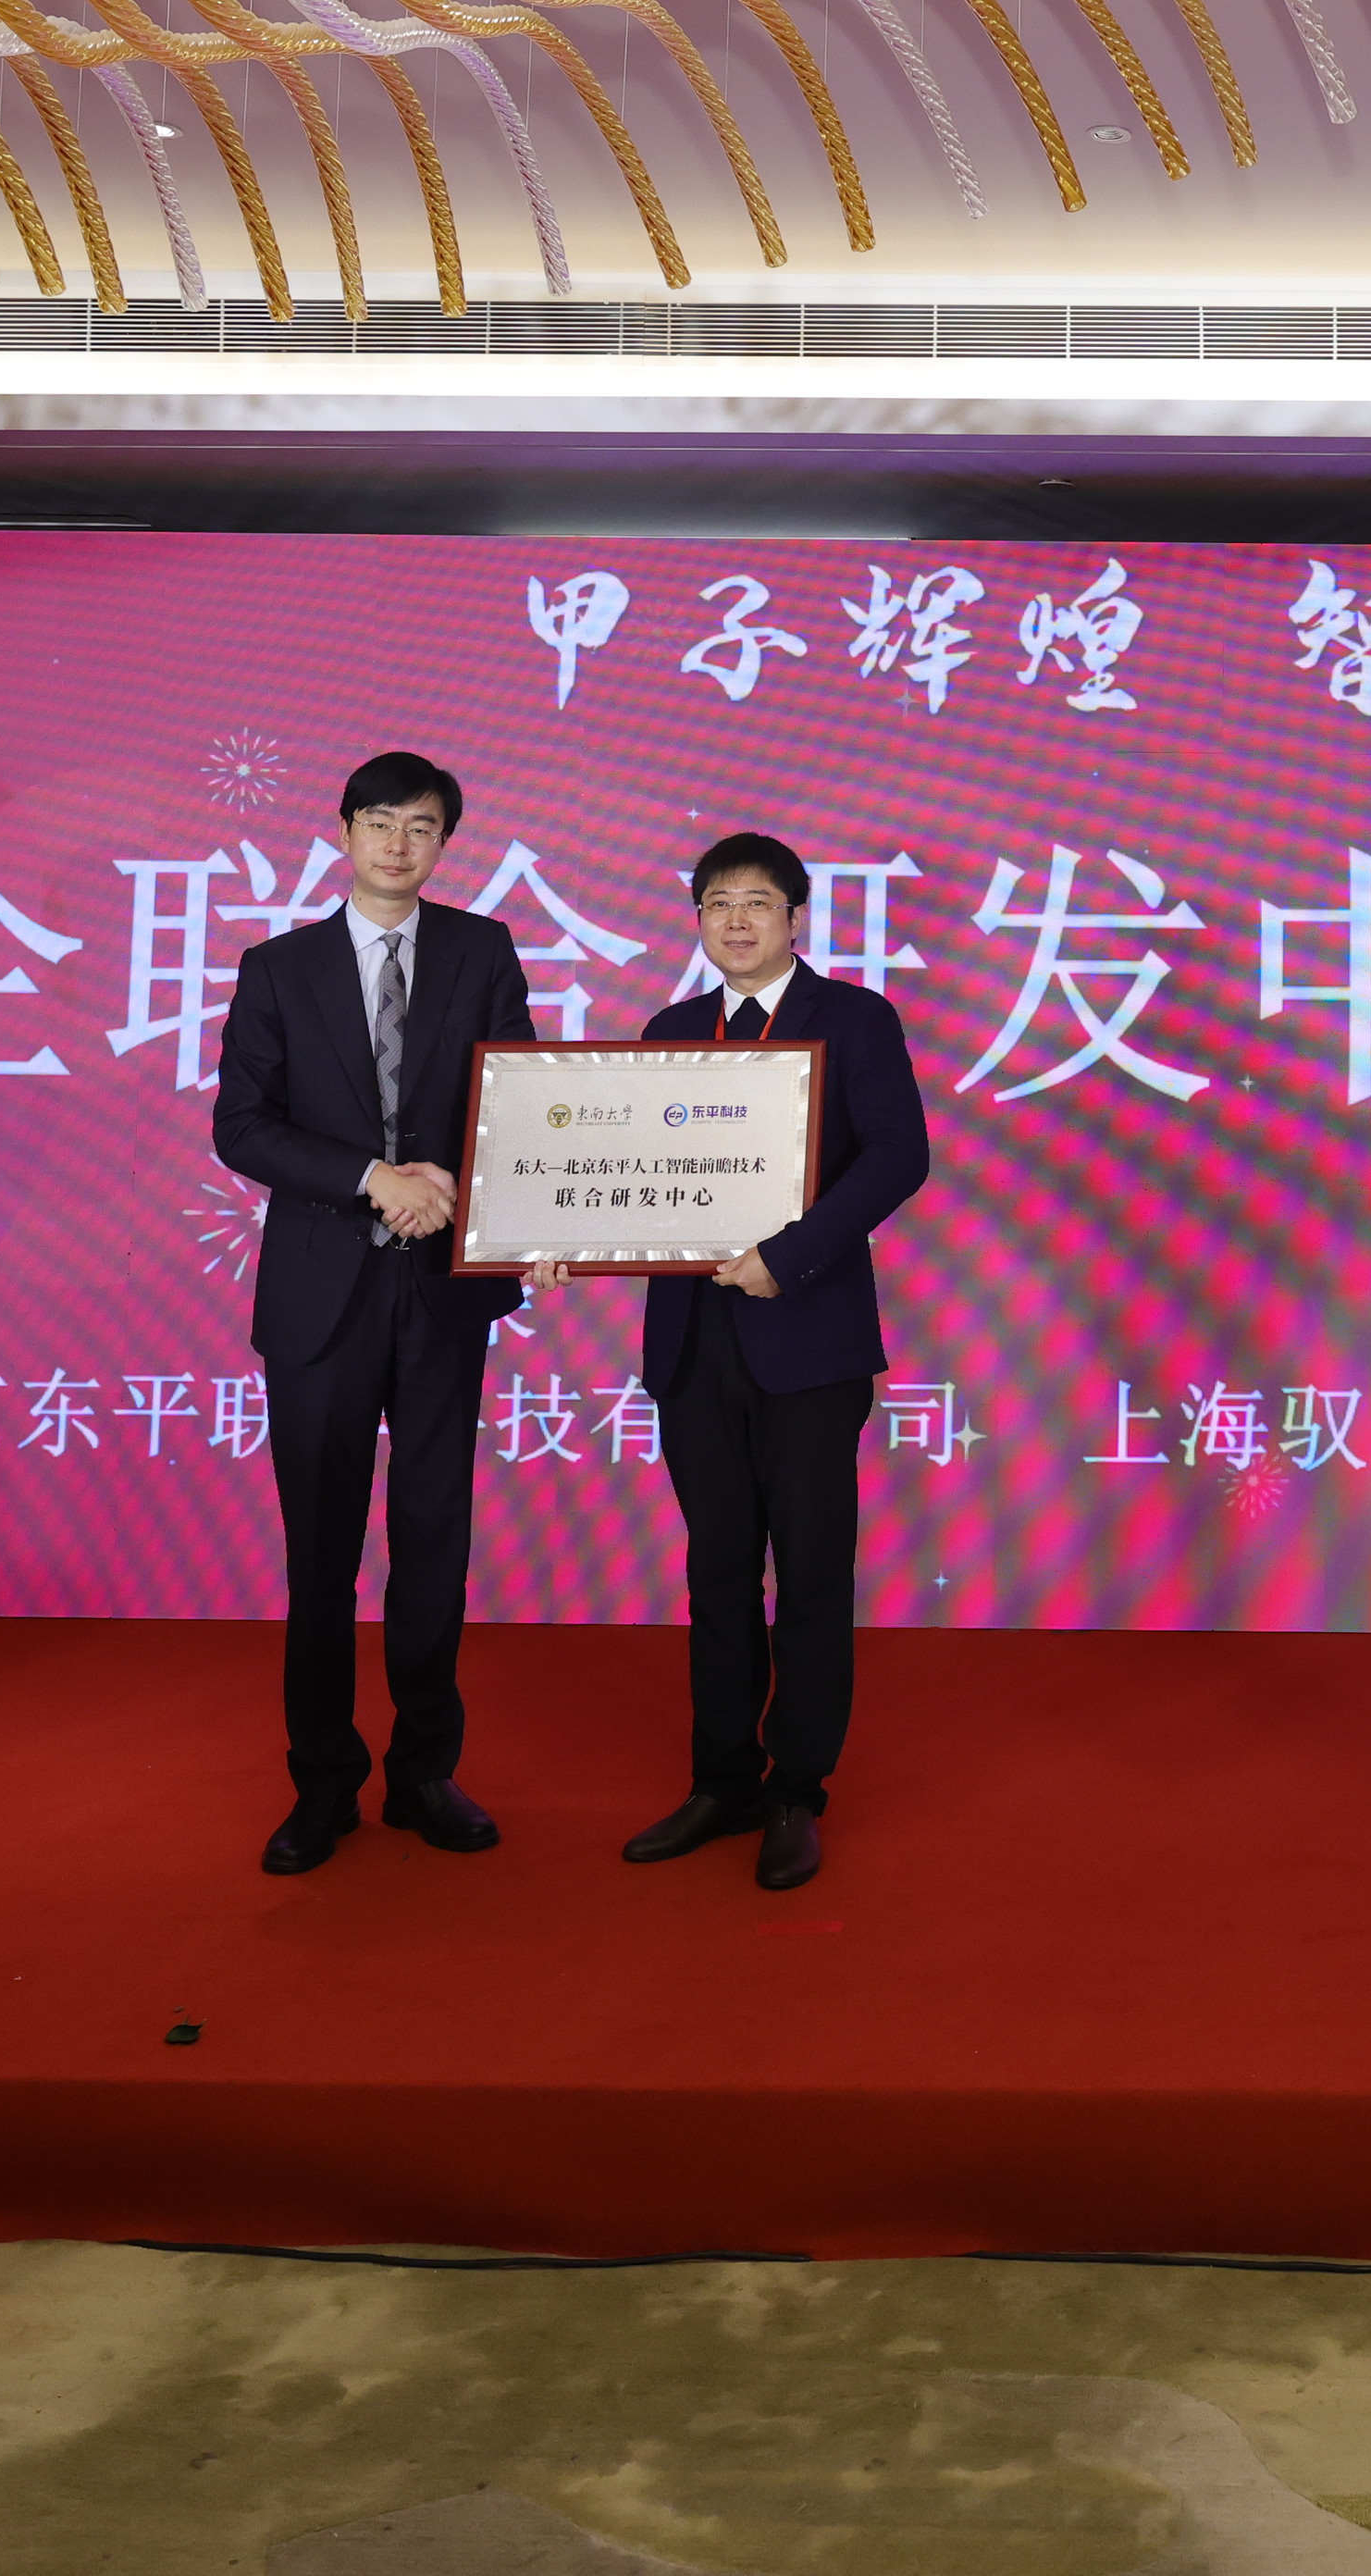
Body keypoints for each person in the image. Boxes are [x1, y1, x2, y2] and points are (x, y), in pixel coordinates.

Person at [211, 750, 532, 1877]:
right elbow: (242, 1125)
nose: (400, 843)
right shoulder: (279, 967)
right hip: (322, 1296)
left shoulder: (482, 950)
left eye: (423, 826)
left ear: (445, 842)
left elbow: (519, 1099)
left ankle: (425, 1771)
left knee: (434, 1542)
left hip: (444, 1288)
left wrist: (491, 1200)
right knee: (322, 1551)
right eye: (382, 821)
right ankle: (322, 1782)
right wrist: (371, 1176)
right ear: (344, 830)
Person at [606, 833, 934, 1894]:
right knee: (716, 1571)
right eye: (717, 903)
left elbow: (899, 1155)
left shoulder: (854, 1018)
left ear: (797, 917)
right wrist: (563, 1233)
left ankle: (797, 1786)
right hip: (690, 1341)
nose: (736, 920)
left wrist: (786, 1258)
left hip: (808, 1337)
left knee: (810, 1571)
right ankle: (722, 1779)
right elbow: (629, 1172)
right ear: (697, 920)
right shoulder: (669, 1029)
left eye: (758, 901)